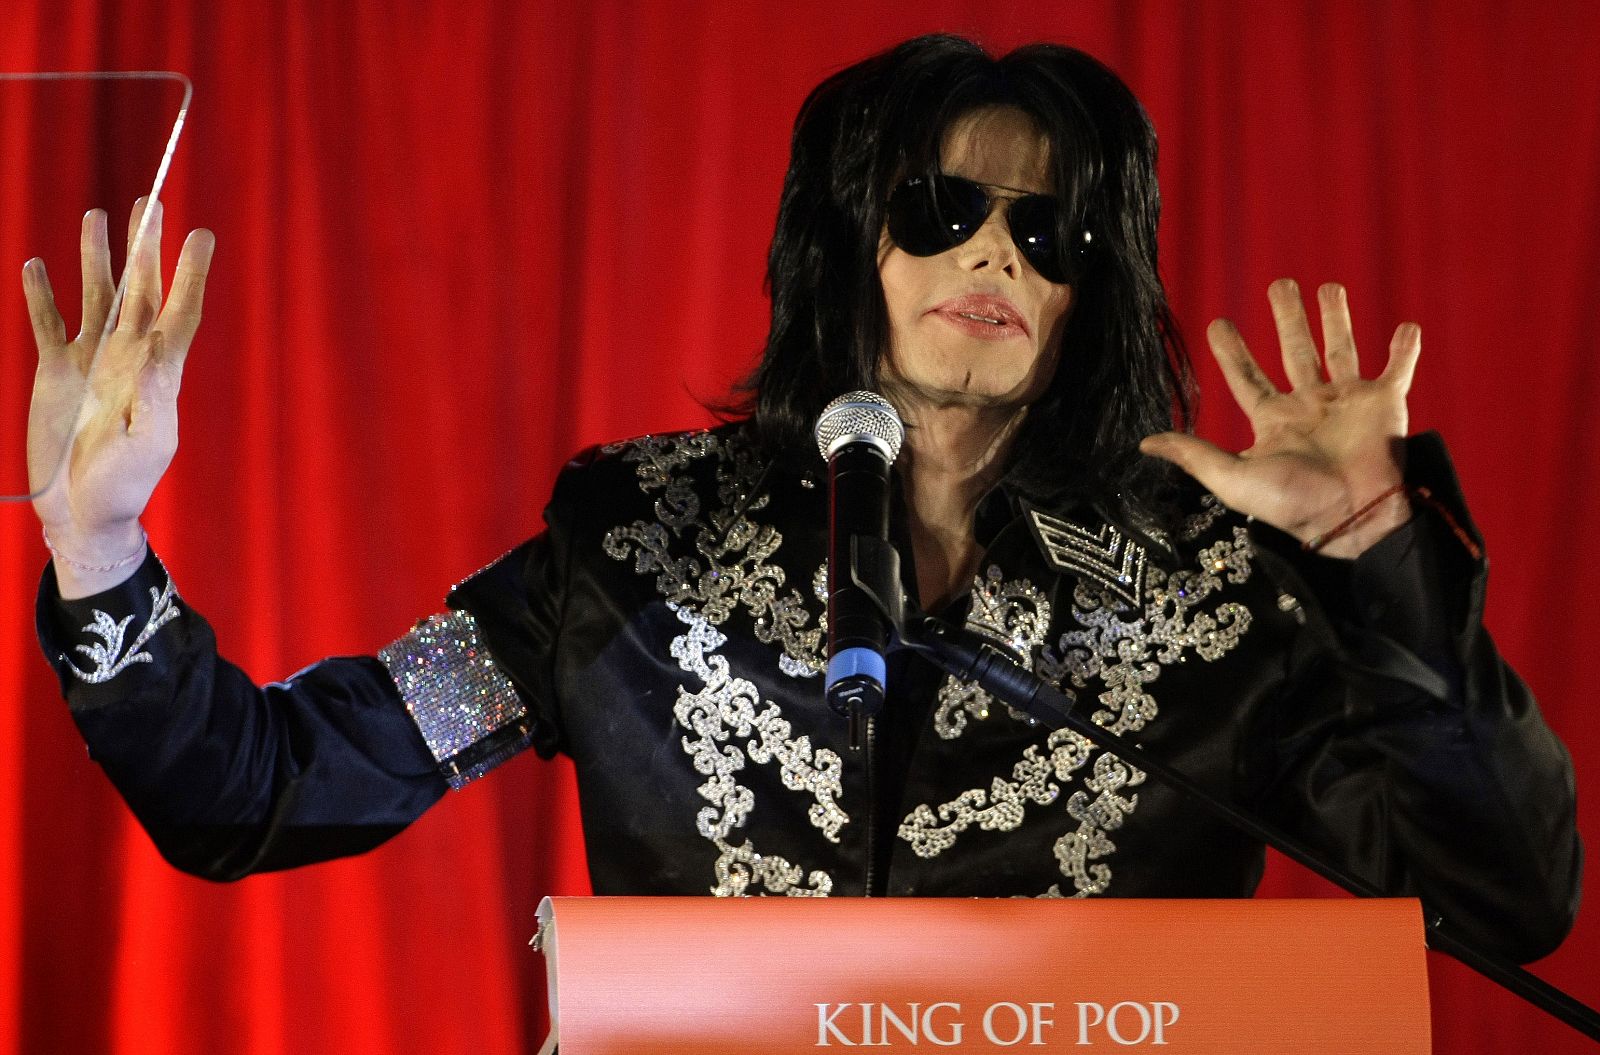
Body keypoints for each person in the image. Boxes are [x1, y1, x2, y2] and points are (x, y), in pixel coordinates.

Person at [24, 35, 1580, 963]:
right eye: (944, 208)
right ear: (849, 243)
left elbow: (1505, 902)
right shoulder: (634, 548)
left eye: (1048, 232)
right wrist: (98, 546)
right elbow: (268, 784)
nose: (992, 257)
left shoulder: (1207, 589)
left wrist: (1382, 562)